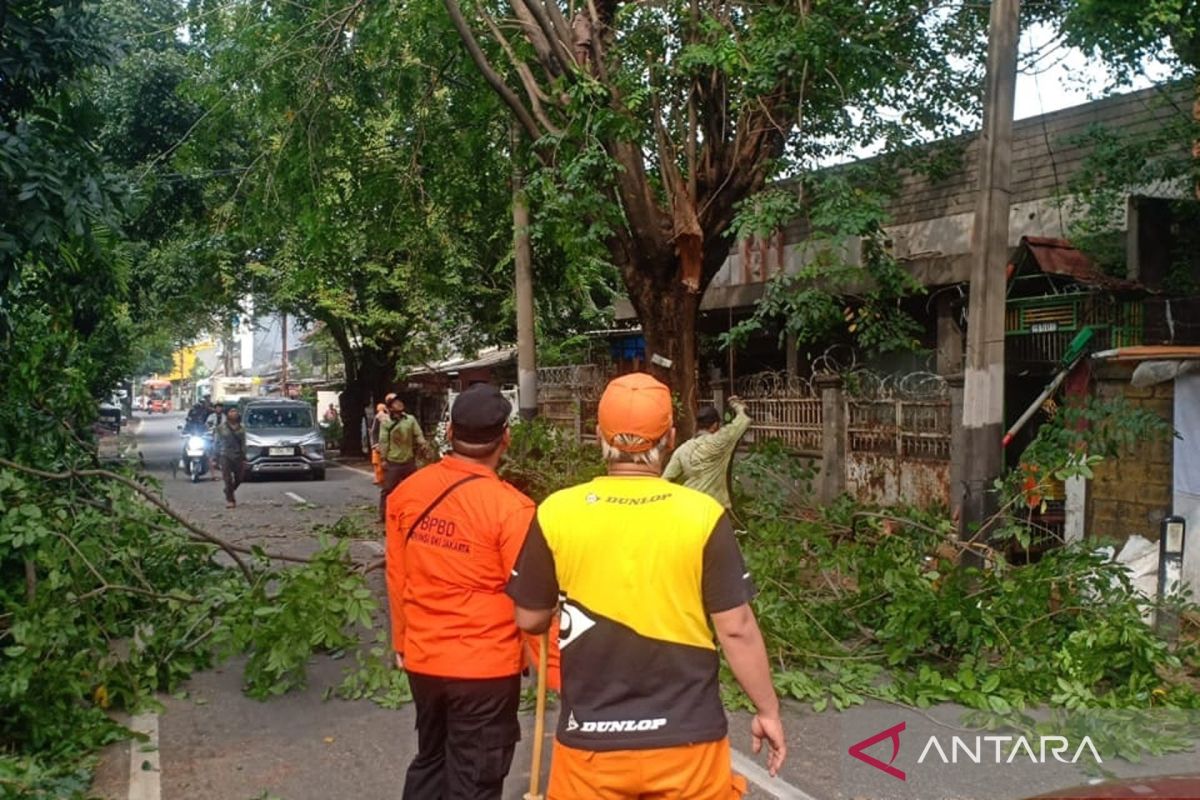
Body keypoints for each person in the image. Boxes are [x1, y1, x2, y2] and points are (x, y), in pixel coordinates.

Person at [507, 372, 786, 799]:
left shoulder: (557, 512)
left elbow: (529, 618)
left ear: (599, 436)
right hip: (688, 744)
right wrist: (768, 711)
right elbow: (736, 628)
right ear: (670, 438)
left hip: (590, 746)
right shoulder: (703, 514)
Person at [385, 384, 535, 800]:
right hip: (485, 668)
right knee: (474, 779)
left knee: (432, 761)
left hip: (423, 660)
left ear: (449, 432)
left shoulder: (407, 493)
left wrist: (402, 642)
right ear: (506, 437)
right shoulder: (513, 509)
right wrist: (555, 669)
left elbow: (397, 575)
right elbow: (530, 598)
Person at [662, 395, 752, 512]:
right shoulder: (721, 440)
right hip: (714, 509)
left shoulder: (682, 449)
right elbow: (745, 417)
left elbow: (665, 481)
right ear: (715, 425)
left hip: (688, 508)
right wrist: (735, 403)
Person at [378, 395, 427, 522]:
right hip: (392, 462)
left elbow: (418, 434)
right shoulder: (386, 422)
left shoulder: (410, 419)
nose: (399, 404)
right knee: (388, 490)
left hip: (409, 461)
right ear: (390, 408)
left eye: (400, 401)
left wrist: (423, 444)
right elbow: (383, 441)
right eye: (395, 403)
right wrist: (383, 459)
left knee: (413, 488)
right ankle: (384, 515)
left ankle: (412, 514)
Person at [213, 407, 246, 509]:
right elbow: (216, 442)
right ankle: (230, 500)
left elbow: (243, 442)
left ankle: (228, 490)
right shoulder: (221, 428)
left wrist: (245, 455)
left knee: (239, 478)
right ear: (227, 414)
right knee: (227, 479)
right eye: (231, 411)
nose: (234, 413)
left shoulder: (242, 427)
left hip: (238, 455)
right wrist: (215, 457)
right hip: (225, 455)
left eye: (235, 411)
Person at [369, 402, 388, 485]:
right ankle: (378, 478)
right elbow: (374, 432)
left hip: (386, 443)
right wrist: (375, 444)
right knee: (377, 462)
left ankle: (383, 478)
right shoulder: (378, 418)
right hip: (379, 444)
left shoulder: (389, 417)